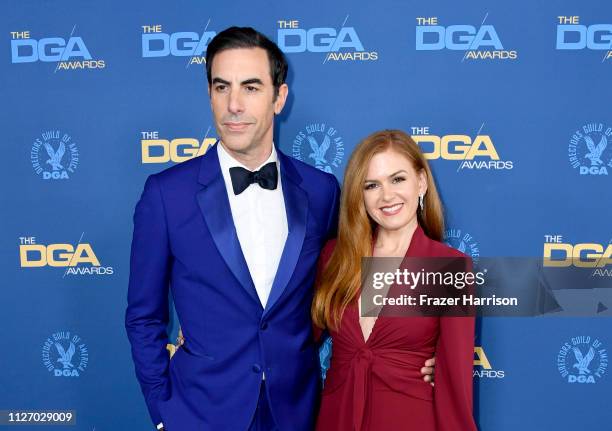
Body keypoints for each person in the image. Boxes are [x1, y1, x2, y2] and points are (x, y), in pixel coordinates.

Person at [125, 27, 435, 431]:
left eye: (251, 87)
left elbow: (351, 281)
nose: (234, 104)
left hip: (297, 412)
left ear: (279, 97)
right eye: (222, 87)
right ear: (210, 95)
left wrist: (430, 351)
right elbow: (143, 317)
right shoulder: (167, 195)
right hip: (200, 414)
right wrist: (162, 411)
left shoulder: (321, 191)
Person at [313, 130, 477, 430]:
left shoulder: (448, 267)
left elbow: (455, 385)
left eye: (397, 179)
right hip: (336, 419)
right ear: (359, 195)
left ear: (421, 183)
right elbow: (292, 339)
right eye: (372, 185)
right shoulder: (334, 256)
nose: (387, 196)